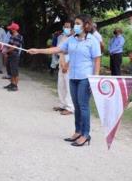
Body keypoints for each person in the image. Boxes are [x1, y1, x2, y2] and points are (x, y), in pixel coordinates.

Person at [28, 14, 101, 147]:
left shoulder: (92, 41)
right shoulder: (71, 39)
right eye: (75, 24)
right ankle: (78, 131)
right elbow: (57, 49)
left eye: (78, 23)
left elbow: (97, 60)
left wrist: (95, 79)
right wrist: (38, 50)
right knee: (77, 107)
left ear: (86, 25)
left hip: (85, 78)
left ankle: (85, 134)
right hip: (73, 77)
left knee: (83, 107)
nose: (75, 26)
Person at [54, 20, 74, 115]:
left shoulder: (74, 39)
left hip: (70, 65)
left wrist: (67, 65)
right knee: (61, 84)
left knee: (68, 86)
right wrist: (62, 63)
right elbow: (60, 51)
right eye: (65, 26)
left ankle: (70, 107)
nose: (66, 28)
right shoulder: (61, 37)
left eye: (68, 27)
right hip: (61, 64)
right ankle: (62, 104)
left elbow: (73, 54)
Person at [3, 23, 23, 91]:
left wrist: (6, 51)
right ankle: (11, 84)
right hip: (10, 55)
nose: (9, 30)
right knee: (10, 70)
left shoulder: (18, 36)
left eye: (10, 29)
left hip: (14, 55)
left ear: (14, 29)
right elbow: (9, 45)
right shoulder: (12, 35)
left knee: (14, 71)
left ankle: (15, 86)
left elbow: (14, 47)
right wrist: (6, 51)